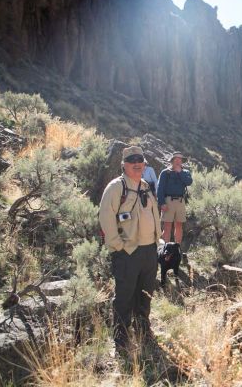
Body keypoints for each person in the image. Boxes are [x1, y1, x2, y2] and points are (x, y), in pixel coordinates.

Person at [99, 146, 161, 352]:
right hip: (128, 252)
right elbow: (105, 217)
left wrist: (156, 242)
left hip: (149, 251)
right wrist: (118, 246)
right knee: (125, 296)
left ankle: (143, 330)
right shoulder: (116, 187)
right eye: (132, 159)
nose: (137, 163)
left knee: (145, 293)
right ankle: (121, 339)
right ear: (123, 164)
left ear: (144, 164)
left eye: (140, 159)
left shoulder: (145, 185)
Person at [156, 152, 193, 245]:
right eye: (176, 159)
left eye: (180, 159)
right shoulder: (165, 172)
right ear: (172, 161)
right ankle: (165, 250)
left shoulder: (185, 172)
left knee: (179, 225)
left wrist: (180, 172)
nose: (178, 161)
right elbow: (160, 188)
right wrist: (162, 203)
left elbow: (189, 182)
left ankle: (177, 249)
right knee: (167, 226)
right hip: (168, 201)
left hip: (181, 201)